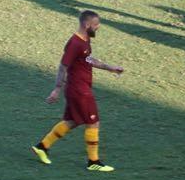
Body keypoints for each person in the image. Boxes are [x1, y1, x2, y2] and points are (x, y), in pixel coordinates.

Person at [32, 10, 123, 171]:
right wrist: (56, 89)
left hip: (79, 88)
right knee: (93, 123)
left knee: (72, 121)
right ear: (87, 25)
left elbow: (88, 59)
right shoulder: (75, 43)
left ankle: (42, 146)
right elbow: (63, 67)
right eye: (96, 24)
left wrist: (110, 68)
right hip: (79, 91)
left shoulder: (85, 39)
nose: (98, 27)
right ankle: (93, 162)